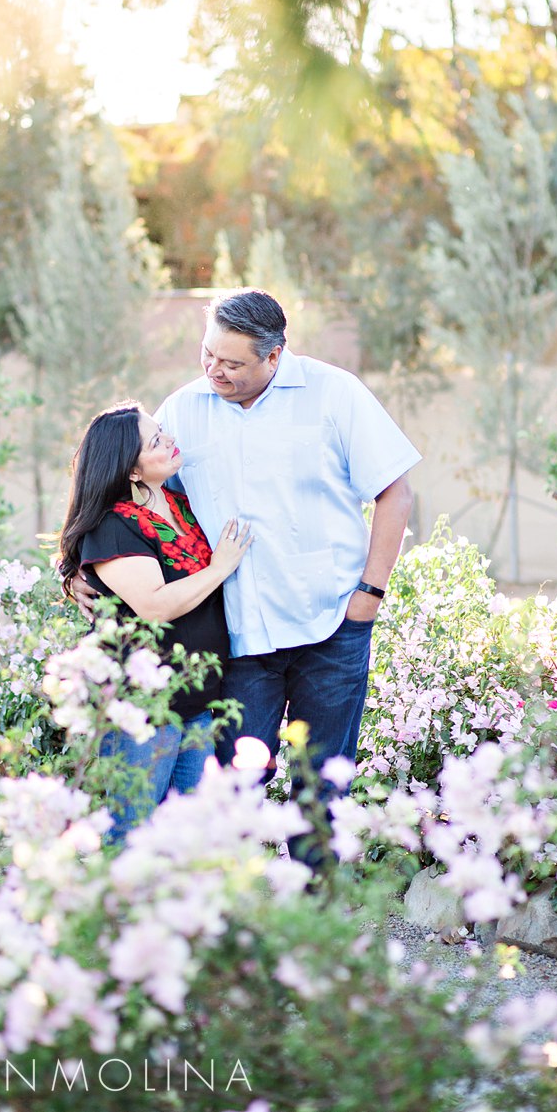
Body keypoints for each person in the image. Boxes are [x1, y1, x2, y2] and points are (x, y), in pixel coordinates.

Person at [155, 288, 420, 871]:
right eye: (208, 355)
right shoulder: (181, 410)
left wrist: (369, 596)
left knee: (321, 792)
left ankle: (315, 929)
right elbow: (150, 504)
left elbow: (396, 491)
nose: (214, 371)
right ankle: (236, 925)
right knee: (231, 792)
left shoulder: (335, 394)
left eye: (232, 362)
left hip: (332, 624)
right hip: (237, 633)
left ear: (274, 356)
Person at [56, 402, 254, 841]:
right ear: (130, 470)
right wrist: (220, 568)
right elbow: (156, 606)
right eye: (156, 442)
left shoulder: (181, 504)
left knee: (189, 834)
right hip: (144, 710)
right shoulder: (111, 527)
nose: (169, 441)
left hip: (200, 699)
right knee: (135, 831)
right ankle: (120, 910)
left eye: (163, 431)